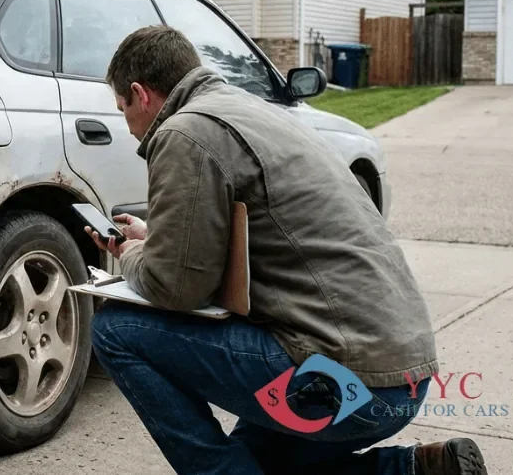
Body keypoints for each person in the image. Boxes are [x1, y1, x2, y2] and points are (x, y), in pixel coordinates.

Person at [84, 25, 486, 475]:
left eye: (123, 110)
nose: (129, 126)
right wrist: (154, 237)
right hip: (401, 380)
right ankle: (418, 469)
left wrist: (128, 253)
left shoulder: (185, 132)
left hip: (343, 380)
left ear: (140, 94)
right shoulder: (254, 112)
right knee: (257, 459)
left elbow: (176, 287)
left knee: (115, 329)